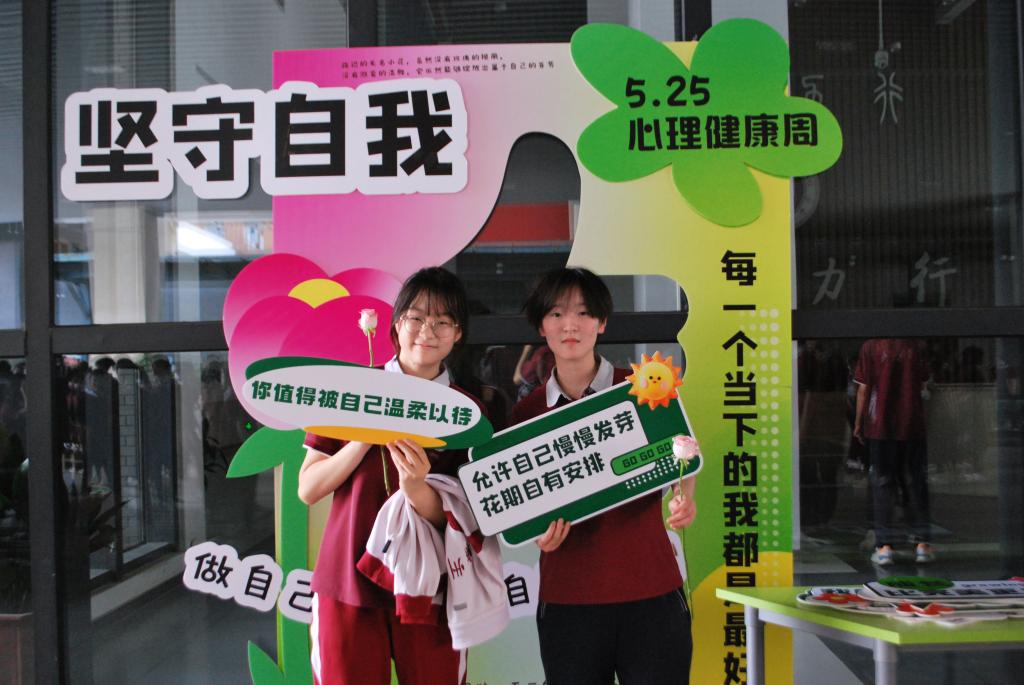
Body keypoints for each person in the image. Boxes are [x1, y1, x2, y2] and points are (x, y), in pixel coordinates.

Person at [510, 267, 697, 685]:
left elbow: (683, 451)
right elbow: (521, 506)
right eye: (557, 314)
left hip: (652, 592)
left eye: (583, 312)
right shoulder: (526, 414)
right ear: (541, 326)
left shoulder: (646, 387)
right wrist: (537, 533)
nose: (570, 325)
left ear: (602, 321)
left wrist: (685, 495)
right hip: (568, 600)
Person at [297, 267, 482, 685]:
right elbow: (308, 489)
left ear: (457, 334)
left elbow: (467, 519)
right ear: (396, 324)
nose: (427, 331)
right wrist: (365, 435)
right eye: (416, 317)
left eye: (442, 321)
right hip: (347, 581)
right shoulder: (350, 391)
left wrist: (416, 488)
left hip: (432, 586)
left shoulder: (468, 414)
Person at [853, 337, 934, 566]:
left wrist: (859, 423)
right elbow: (923, 383)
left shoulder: (870, 346)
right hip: (911, 424)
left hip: (879, 425)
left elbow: (863, 389)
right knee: (916, 482)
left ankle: (884, 547)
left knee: (882, 483)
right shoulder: (916, 345)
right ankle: (922, 545)